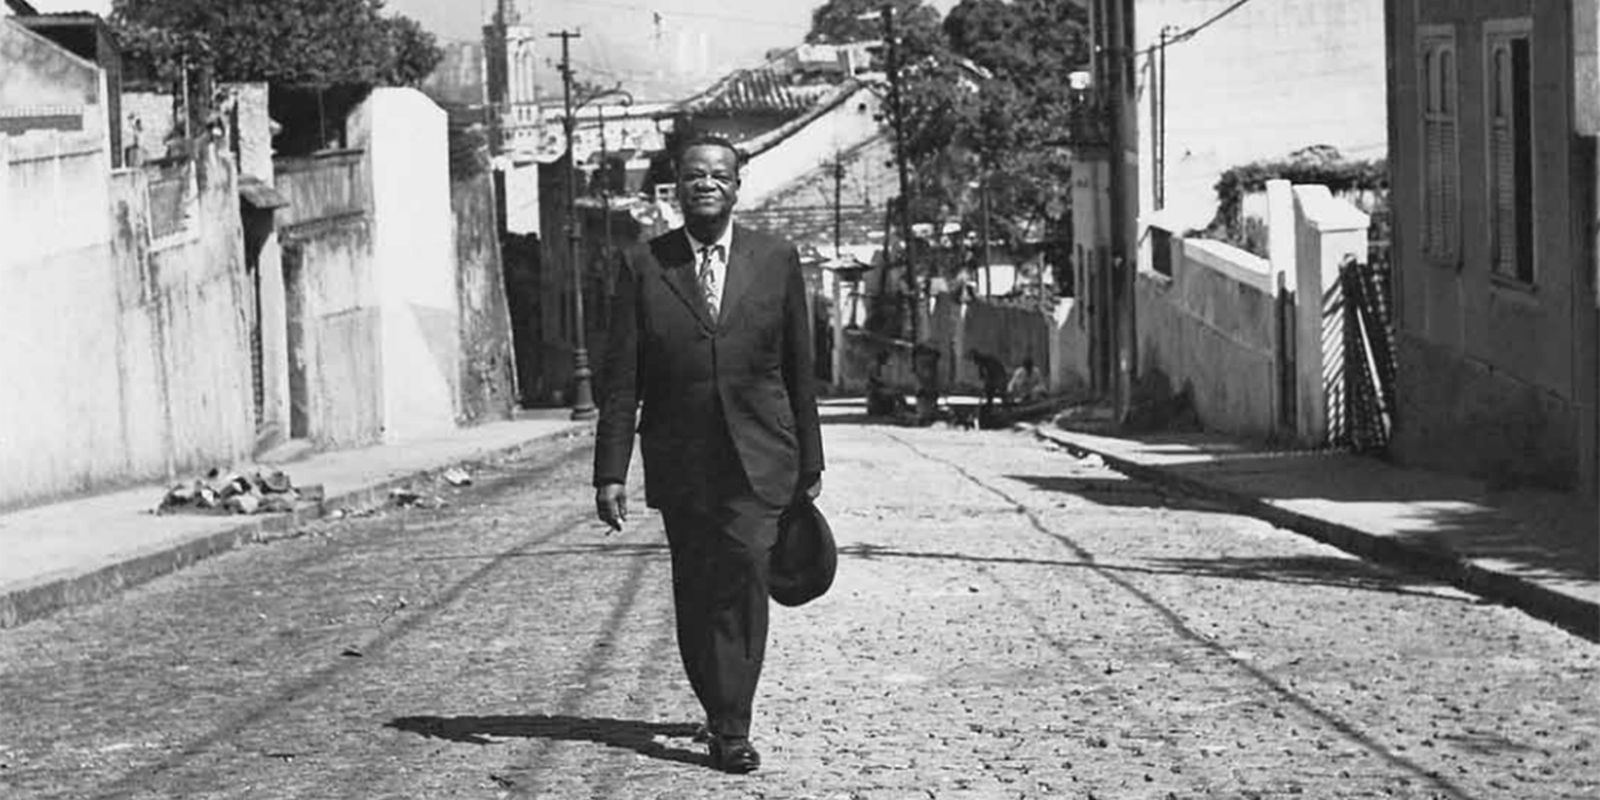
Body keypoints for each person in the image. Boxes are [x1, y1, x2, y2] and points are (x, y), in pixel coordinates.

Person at [592, 134, 824, 775]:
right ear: (677, 187)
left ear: (737, 187)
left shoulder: (775, 258)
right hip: (682, 459)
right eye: (694, 175)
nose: (707, 184)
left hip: (762, 454)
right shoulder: (645, 265)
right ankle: (716, 699)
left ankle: (731, 726)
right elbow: (622, 379)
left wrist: (810, 460)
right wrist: (610, 472)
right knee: (697, 589)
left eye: (719, 175)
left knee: (746, 573)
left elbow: (799, 368)